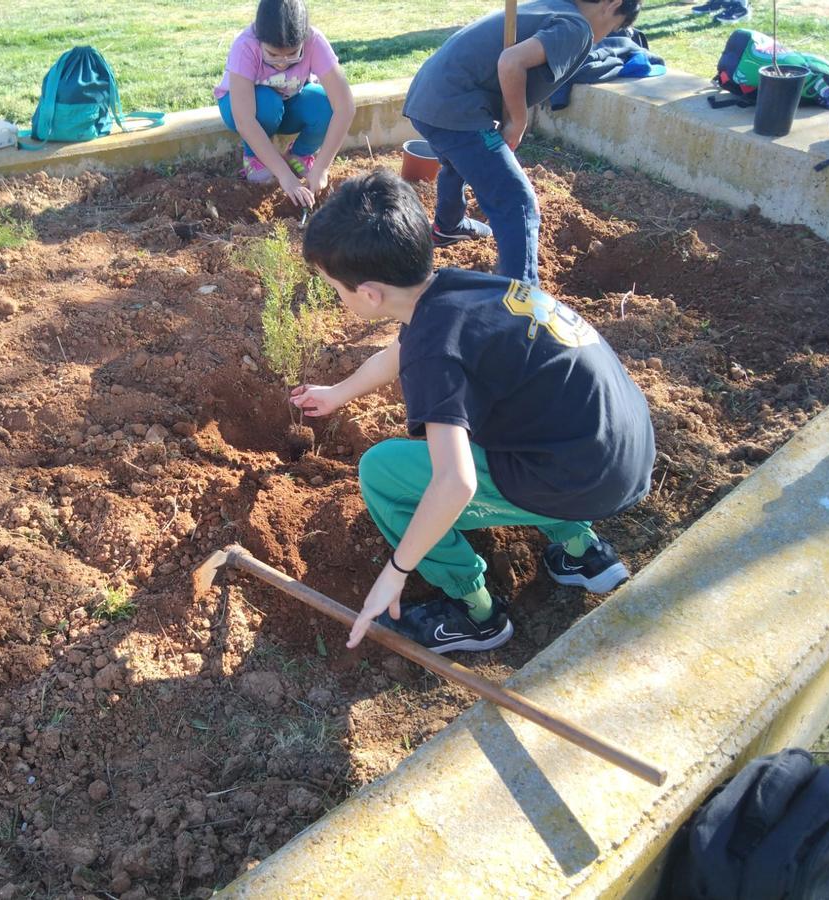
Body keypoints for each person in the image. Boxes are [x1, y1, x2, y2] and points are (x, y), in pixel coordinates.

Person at [291, 170, 654, 652]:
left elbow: (456, 482)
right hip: (621, 443)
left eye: (336, 288)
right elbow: (403, 351)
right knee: (494, 414)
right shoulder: (459, 290)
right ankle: (581, 552)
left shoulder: (435, 351)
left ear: (370, 294)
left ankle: (476, 615)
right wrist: (338, 392)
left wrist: (395, 571)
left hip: (586, 479)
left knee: (382, 473)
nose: (338, 298)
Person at [402, 0, 641, 285]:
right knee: (518, 200)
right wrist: (517, 120)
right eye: (613, 27)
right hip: (456, 108)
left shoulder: (552, 6)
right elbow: (511, 61)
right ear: (612, 4)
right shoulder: (578, 28)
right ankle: (521, 295)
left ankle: (448, 226)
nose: (605, 36)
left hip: (427, 98)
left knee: (459, 162)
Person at [214, 0, 355, 209]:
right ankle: (253, 157)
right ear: (259, 39)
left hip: (287, 103)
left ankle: (300, 153)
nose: (282, 63)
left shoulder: (314, 41)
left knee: (323, 103)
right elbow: (245, 120)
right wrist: (285, 176)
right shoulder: (245, 46)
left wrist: (322, 168)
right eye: (272, 55)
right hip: (244, 108)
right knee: (267, 103)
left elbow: (345, 107)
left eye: (292, 54)